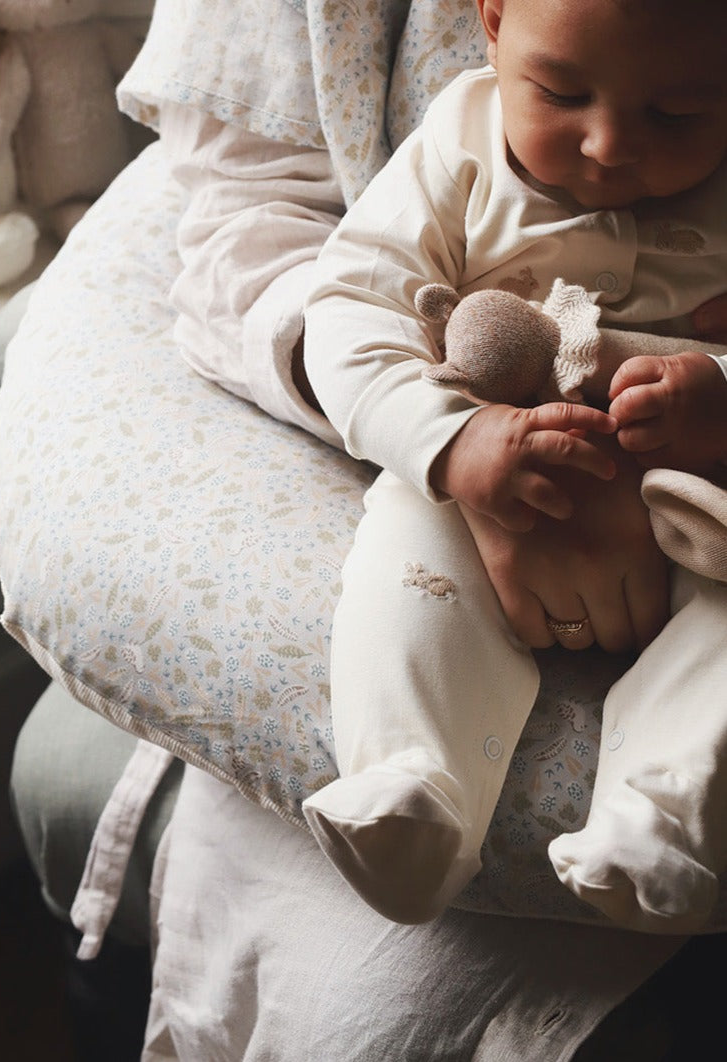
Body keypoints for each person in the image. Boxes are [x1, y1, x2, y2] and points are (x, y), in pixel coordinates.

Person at [301, 0, 727, 934]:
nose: (611, 146)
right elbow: (345, 307)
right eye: (563, 92)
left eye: (678, 115)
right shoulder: (458, 141)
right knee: (405, 555)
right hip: (492, 453)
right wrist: (448, 443)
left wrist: (719, 400)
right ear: (493, 23)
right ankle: (412, 782)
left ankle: (660, 817)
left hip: (701, 503)